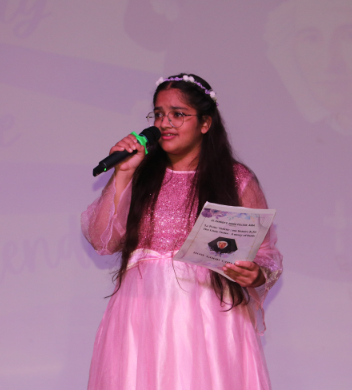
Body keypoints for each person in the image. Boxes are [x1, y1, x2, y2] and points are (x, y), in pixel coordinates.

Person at [81, 73, 283, 390]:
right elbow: (102, 240)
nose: (165, 123)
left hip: (208, 317)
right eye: (158, 114)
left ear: (205, 123)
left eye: (178, 114)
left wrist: (254, 274)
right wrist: (122, 174)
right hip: (140, 313)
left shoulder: (235, 179)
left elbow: (266, 256)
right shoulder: (140, 174)